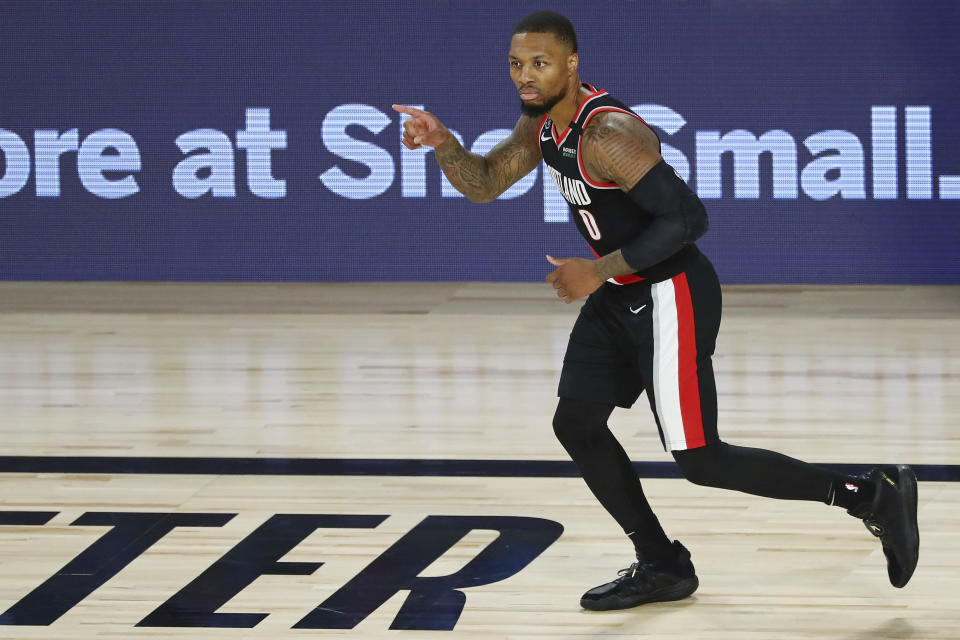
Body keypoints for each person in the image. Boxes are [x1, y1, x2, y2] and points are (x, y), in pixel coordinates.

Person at [393, 10, 919, 611]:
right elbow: (485, 183)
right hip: (620, 295)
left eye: (540, 63)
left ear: (572, 63)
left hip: (672, 293)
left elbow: (689, 219)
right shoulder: (541, 124)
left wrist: (595, 269)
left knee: (700, 459)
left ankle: (866, 494)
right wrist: (443, 143)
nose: (526, 75)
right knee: (577, 424)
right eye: (517, 64)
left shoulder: (607, 134)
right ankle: (661, 563)